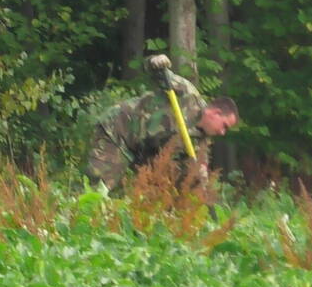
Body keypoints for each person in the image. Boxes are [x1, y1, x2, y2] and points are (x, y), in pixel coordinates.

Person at [86, 54, 238, 192]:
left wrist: (200, 177)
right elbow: (160, 73)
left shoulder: (201, 141)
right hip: (119, 129)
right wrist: (156, 61)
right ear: (216, 113)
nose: (222, 132)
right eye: (224, 126)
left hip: (140, 150)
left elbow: (194, 169)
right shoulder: (188, 94)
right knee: (98, 188)